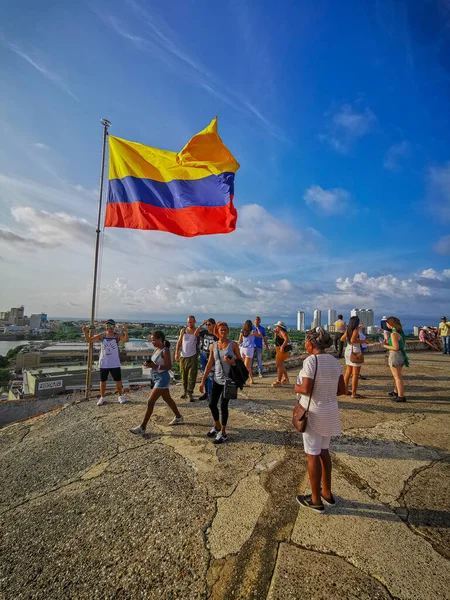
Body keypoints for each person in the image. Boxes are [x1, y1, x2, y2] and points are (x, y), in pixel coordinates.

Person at [294, 328, 346, 513]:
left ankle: (315, 499)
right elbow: (341, 390)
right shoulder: (334, 361)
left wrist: (296, 387)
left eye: (306, 342)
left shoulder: (311, 360)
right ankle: (327, 492)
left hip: (314, 412)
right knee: (324, 452)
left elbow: (306, 388)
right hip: (330, 411)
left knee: (312, 454)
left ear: (311, 343)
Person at [130, 331, 183, 434]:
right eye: (151, 340)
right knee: (167, 399)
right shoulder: (157, 350)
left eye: (153, 340)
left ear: (160, 339)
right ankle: (179, 416)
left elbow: (169, 366)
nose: (152, 342)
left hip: (162, 378)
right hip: (156, 377)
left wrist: (155, 366)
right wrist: (149, 364)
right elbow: (155, 363)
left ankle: (143, 427)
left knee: (150, 402)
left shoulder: (165, 351)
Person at [199, 321, 242, 444]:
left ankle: (223, 432)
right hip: (217, 380)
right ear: (217, 332)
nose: (222, 331)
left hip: (229, 381)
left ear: (228, 331)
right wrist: (202, 381)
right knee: (212, 403)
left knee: (223, 406)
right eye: (220, 330)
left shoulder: (233, 345)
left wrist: (232, 362)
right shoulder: (214, 346)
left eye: (224, 329)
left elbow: (241, 361)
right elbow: (209, 363)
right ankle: (217, 425)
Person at [82, 319, 129, 406]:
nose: (109, 328)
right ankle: (102, 397)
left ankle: (120, 396)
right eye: (107, 326)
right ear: (105, 326)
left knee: (118, 380)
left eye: (111, 326)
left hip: (115, 362)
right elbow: (89, 340)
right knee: (103, 380)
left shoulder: (117, 336)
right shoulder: (102, 336)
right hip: (104, 362)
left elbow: (126, 340)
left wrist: (125, 331)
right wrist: (85, 331)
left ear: (114, 327)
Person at [381, 316, 409, 402]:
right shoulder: (400, 333)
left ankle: (401, 396)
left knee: (397, 377)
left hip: (395, 355)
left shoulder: (394, 334)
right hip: (401, 355)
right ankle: (396, 391)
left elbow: (395, 347)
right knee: (397, 376)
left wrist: (384, 345)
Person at [340, 316, 366, 398]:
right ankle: (354, 393)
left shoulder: (348, 330)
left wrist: (350, 339)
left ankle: (345, 390)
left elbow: (342, 339)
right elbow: (353, 340)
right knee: (355, 374)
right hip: (355, 352)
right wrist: (364, 341)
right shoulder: (355, 331)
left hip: (348, 351)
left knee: (348, 372)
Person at [175, 316, 199, 402]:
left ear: (195, 321)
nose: (190, 324)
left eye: (191, 322)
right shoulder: (183, 330)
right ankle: (185, 391)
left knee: (192, 375)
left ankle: (190, 392)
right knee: (183, 374)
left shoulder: (197, 331)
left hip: (193, 356)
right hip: (183, 356)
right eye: (188, 322)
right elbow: (179, 342)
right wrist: (176, 353)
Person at [196, 318, 217, 400]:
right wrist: (201, 325)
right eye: (207, 324)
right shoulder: (204, 332)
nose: (208, 326)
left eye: (209, 324)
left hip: (211, 356)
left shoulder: (216, 335)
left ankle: (210, 394)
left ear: (213, 325)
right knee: (204, 374)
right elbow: (195, 333)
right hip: (203, 355)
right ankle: (206, 392)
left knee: (210, 375)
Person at [238, 319, 261, 385]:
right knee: (247, 366)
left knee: (246, 366)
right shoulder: (252, 332)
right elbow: (260, 335)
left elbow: (239, 341)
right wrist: (257, 327)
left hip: (242, 348)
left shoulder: (242, 331)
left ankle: (251, 379)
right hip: (249, 349)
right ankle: (244, 381)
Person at [272, 321, 292, 387]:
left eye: (277, 326)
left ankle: (278, 381)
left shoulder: (282, 332)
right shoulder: (280, 332)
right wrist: (275, 333)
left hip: (281, 350)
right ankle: (286, 379)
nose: (276, 327)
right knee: (281, 365)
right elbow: (276, 340)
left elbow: (286, 339)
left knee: (279, 365)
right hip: (280, 350)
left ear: (279, 327)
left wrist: (282, 347)